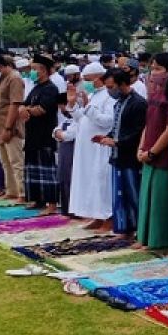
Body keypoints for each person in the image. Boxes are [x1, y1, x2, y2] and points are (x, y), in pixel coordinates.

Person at [137, 53, 168, 252]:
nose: (153, 73)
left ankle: (163, 240)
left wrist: (154, 152)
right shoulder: (154, 95)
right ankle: (145, 238)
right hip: (148, 152)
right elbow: (148, 124)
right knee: (147, 197)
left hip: (163, 155)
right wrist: (141, 148)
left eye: (158, 69)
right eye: (152, 68)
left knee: (162, 200)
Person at [70, 63, 116, 229]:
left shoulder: (109, 96)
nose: (85, 82)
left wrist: (88, 106)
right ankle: (96, 216)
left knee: (101, 182)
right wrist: (73, 105)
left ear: (98, 78)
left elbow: (108, 122)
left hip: (100, 147)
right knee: (89, 182)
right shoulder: (93, 95)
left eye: (87, 79)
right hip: (86, 149)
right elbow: (81, 119)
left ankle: (108, 218)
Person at [19, 55, 61, 214]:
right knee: (32, 169)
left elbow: (40, 109)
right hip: (32, 135)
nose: (32, 72)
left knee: (47, 171)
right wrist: (24, 109)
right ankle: (37, 199)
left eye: (35, 69)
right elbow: (25, 105)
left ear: (44, 70)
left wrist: (26, 110)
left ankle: (51, 204)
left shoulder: (51, 88)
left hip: (45, 135)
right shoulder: (36, 87)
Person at [109, 70, 147, 238]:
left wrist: (118, 142)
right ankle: (124, 228)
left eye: (112, 86)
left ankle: (140, 230)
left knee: (133, 194)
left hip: (131, 157)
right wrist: (108, 137)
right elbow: (117, 126)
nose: (110, 90)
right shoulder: (119, 102)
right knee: (119, 195)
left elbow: (138, 132)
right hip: (118, 156)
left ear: (122, 84)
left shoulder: (138, 103)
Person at [0, 54, 26, 203]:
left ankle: (22, 193)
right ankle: (11, 190)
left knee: (16, 161)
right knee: (5, 161)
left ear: (2, 65)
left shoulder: (14, 78)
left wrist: (8, 128)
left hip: (11, 127)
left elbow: (15, 104)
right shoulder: (0, 79)